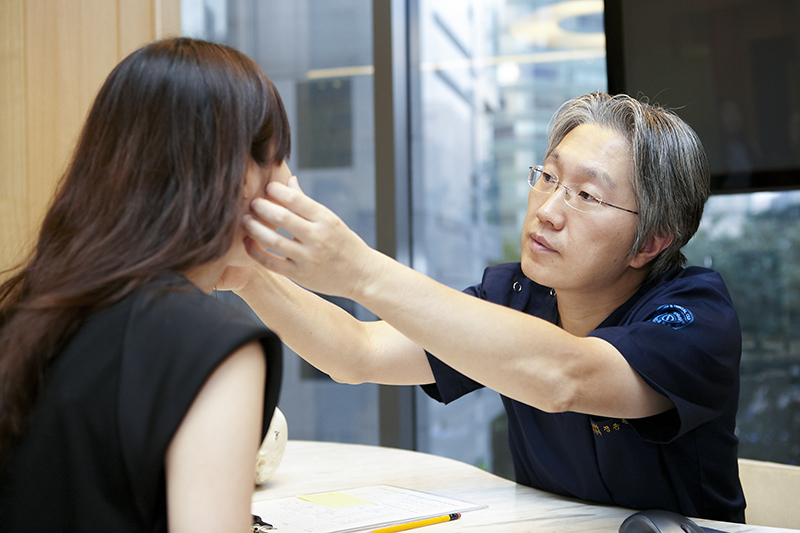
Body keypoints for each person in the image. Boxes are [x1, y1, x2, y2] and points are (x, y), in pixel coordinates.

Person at [225, 91, 745, 522]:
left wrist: (359, 269)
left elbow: (567, 376)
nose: (547, 210)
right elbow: (356, 352)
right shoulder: (520, 296)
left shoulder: (696, 315)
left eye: (586, 196)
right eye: (547, 177)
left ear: (651, 242)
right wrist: (248, 273)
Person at [0, 38, 287, 532]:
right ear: (240, 173)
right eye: (279, 158)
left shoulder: (27, 306)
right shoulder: (214, 345)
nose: (287, 182)